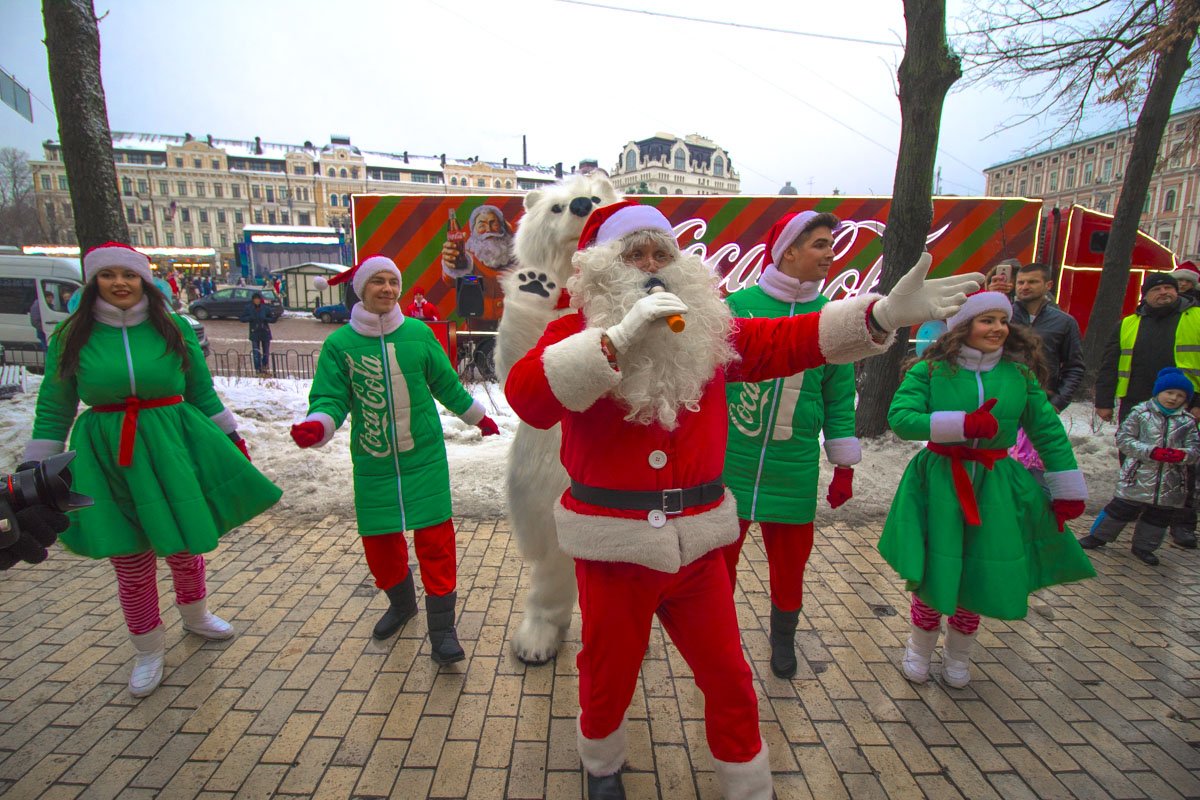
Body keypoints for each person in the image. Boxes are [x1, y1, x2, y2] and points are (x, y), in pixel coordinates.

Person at [504, 200, 982, 798]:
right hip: (614, 547)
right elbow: (528, 398)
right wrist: (615, 341)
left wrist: (880, 313)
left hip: (699, 544)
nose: (651, 266)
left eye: (662, 253)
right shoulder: (571, 329)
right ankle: (602, 765)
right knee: (608, 672)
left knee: (729, 675)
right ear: (601, 267)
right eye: (634, 254)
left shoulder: (706, 331)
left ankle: (747, 782)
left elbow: (788, 340)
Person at [21, 242, 282, 697]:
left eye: (129, 274)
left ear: (145, 279)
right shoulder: (73, 335)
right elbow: (54, 406)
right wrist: (37, 465)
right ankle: (147, 648)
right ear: (93, 282)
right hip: (106, 454)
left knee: (183, 542)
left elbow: (201, 390)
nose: (119, 283)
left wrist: (231, 438)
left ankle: (195, 615)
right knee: (130, 555)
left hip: (172, 444)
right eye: (108, 275)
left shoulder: (172, 328)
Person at [290, 255, 501, 663]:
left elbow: (445, 383)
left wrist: (478, 418)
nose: (387, 289)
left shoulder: (419, 334)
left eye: (392, 282)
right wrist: (319, 425)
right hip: (374, 463)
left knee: (437, 544)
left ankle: (443, 632)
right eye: (377, 282)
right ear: (361, 289)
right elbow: (330, 398)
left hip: (424, 458)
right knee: (381, 545)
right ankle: (402, 605)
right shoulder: (339, 345)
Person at [879, 291, 1092, 689]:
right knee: (934, 568)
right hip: (940, 480)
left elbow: (1047, 430)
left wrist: (1067, 488)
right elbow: (902, 419)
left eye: (1002, 320)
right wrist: (960, 424)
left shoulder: (1018, 375)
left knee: (977, 570)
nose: (997, 328)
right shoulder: (930, 371)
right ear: (962, 327)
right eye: (986, 320)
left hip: (994, 485)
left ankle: (959, 656)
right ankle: (919, 648)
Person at [721, 211, 861, 680]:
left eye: (830, 245)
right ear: (789, 251)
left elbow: (839, 397)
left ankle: (783, 638)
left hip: (794, 465)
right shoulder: (737, 307)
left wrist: (843, 465)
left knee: (790, 566)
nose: (829, 253)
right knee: (718, 564)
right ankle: (719, 642)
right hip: (730, 463)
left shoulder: (833, 319)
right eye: (820, 244)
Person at [1079, 368, 1200, 565]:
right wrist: (1150, 451)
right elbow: (1124, 440)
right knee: (1119, 510)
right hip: (1138, 476)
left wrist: (1182, 455)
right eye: (1169, 392)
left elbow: (1195, 450)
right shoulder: (1141, 414)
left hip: (1170, 482)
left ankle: (1144, 547)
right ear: (1158, 392)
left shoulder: (1187, 422)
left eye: (1180, 395)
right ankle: (1098, 536)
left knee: (1158, 517)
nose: (1173, 398)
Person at [1007, 262, 1086, 481]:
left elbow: (1074, 367)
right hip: (1004, 402)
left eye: (1032, 282)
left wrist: (1058, 403)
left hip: (1042, 405)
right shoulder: (1004, 318)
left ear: (1048, 284)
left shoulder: (1064, 322)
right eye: (1021, 282)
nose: (1024, 287)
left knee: (1036, 470)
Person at [1095, 272, 1200, 425]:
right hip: (1136, 403)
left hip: (1186, 404)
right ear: (1145, 296)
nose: (1163, 291)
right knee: (1131, 447)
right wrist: (1104, 401)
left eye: (1168, 287)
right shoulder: (1127, 324)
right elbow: (1109, 366)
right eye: (1156, 289)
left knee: (1177, 449)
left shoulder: (1196, 318)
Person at [442, 204, 516, 320]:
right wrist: (451, 263)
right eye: (482, 225)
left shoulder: (518, 255)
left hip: (514, 326)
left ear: (502, 227)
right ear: (474, 231)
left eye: (494, 223)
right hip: (477, 327)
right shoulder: (466, 257)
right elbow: (451, 280)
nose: (489, 230)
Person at [240, 292, 274, 377]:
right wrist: (250, 318)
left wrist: (266, 319)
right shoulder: (248, 308)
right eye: (255, 299)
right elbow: (242, 318)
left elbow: (273, 318)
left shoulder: (265, 308)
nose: (257, 301)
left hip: (265, 332)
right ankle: (258, 370)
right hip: (254, 332)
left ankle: (265, 367)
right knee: (256, 352)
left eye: (258, 299)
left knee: (266, 352)